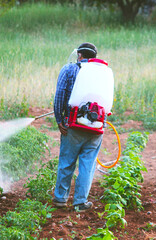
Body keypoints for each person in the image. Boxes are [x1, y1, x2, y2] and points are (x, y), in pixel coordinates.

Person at [53, 42, 103, 212]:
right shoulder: (102, 73)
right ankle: (80, 202)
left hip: (73, 124)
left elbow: (60, 95)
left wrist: (59, 119)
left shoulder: (69, 69)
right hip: (96, 126)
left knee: (67, 161)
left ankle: (60, 199)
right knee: (87, 165)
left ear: (79, 55)